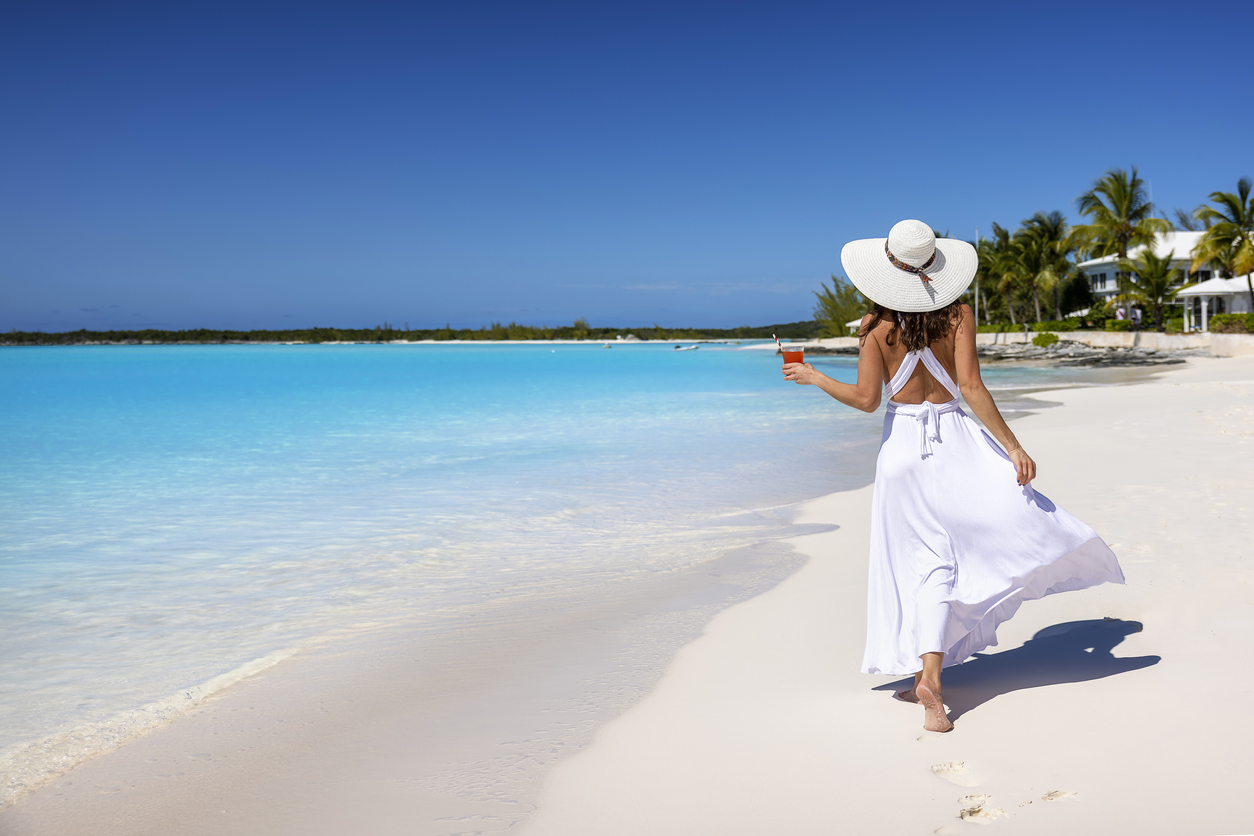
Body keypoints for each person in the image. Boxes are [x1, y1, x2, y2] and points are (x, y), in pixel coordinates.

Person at [783, 220, 1125, 733]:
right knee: (958, 553)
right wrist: (1013, 447)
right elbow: (972, 388)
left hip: (901, 453)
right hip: (957, 444)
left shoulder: (875, 328)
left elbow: (866, 401)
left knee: (921, 563)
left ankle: (930, 681)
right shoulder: (959, 314)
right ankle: (929, 676)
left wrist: (812, 376)